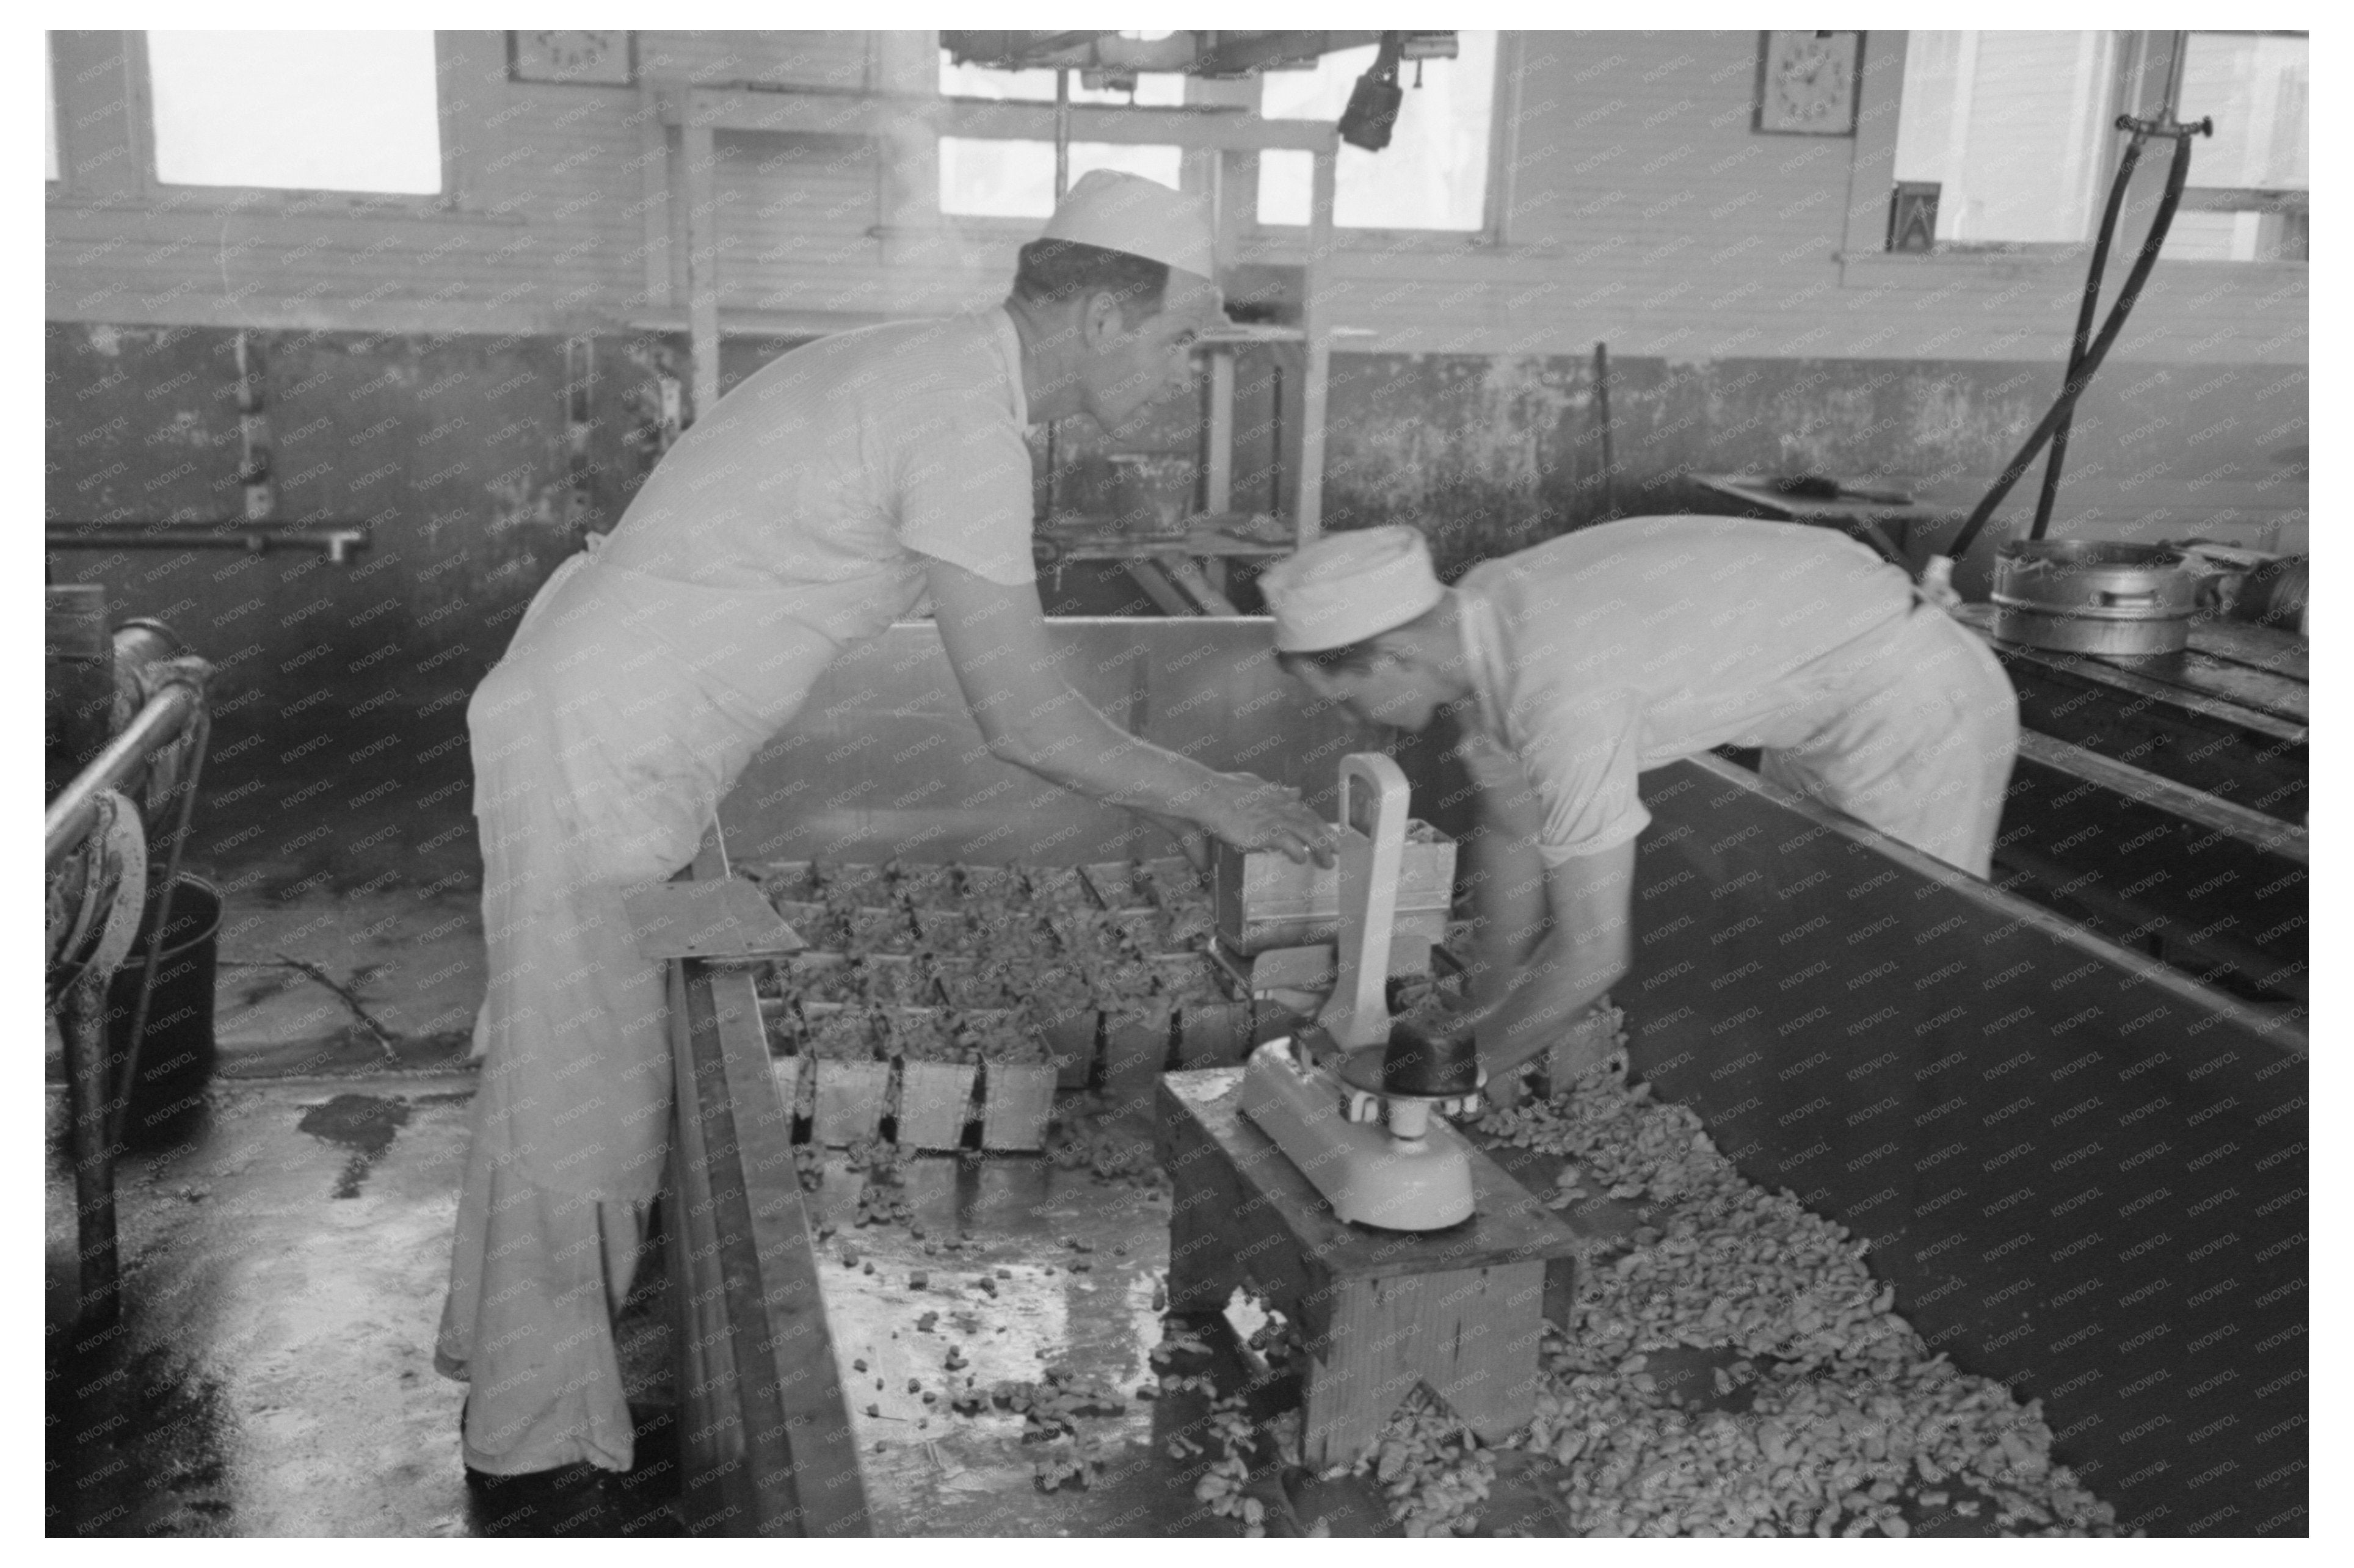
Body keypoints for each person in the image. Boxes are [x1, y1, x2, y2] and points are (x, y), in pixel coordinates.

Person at [437, 170, 1334, 1531]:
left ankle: (511, 1367)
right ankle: (531, 1453)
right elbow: (1023, 718)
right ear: (1095, 311)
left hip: (608, 724)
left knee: (577, 1061)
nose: (1185, 370)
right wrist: (1215, 795)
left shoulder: (928, 375)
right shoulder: (965, 421)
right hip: (601, 745)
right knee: (587, 1088)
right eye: (1176, 338)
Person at [1259, 517, 2018, 1086]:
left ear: (1398, 655)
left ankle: (1919, 1150)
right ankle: (1835, 1104)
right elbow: (1512, 827)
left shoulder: (1559, 690)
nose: (1355, 722)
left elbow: (1595, 951)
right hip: (1824, 704)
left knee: (1905, 955)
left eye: (1349, 698)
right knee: (1820, 932)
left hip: (1913, 710)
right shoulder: (1482, 620)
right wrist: (1485, 1007)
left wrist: (1455, 1076)